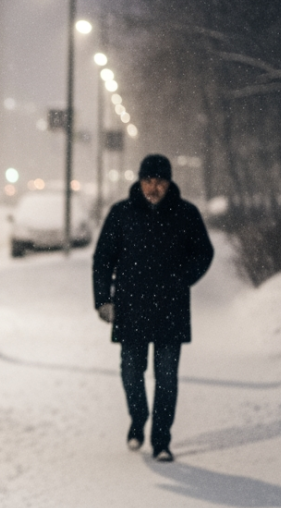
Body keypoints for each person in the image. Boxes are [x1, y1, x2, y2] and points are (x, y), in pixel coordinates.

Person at [92, 154, 214, 462]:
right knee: (131, 372)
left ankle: (161, 440)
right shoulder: (121, 213)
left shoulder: (186, 214)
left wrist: (183, 278)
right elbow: (103, 258)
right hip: (130, 307)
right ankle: (138, 418)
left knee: (167, 377)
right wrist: (103, 299)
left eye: (159, 181)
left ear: (170, 182)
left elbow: (204, 252)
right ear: (139, 180)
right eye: (148, 180)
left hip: (170, 309)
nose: (153, 187)